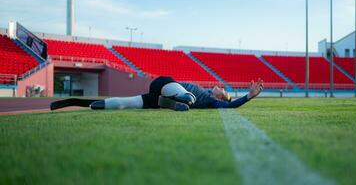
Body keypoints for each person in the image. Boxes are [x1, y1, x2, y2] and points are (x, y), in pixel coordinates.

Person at [50, 76, 264, 111]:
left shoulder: (211, 101)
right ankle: (172, 102)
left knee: (129, 102)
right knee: (129, 103)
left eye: (223, 91)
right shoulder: (207, 93)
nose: (221, 87)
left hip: (163, 90)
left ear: (219, 96)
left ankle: (179, 99)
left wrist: (248, 96)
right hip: (162, 92)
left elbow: (230, 105)